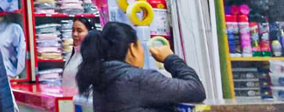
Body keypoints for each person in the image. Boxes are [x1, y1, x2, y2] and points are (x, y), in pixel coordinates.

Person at [76, 21, 206, 112]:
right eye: (140, 46)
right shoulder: (139, 80)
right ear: (132, 49)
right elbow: (196, 90)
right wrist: (170, 58)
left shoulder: (101, 79)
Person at [62, 16, 94, 89]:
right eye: (73, 30)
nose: (75, 34)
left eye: (79, 31)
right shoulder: (70, 56)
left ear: (89, 33)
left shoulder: (92, 58)